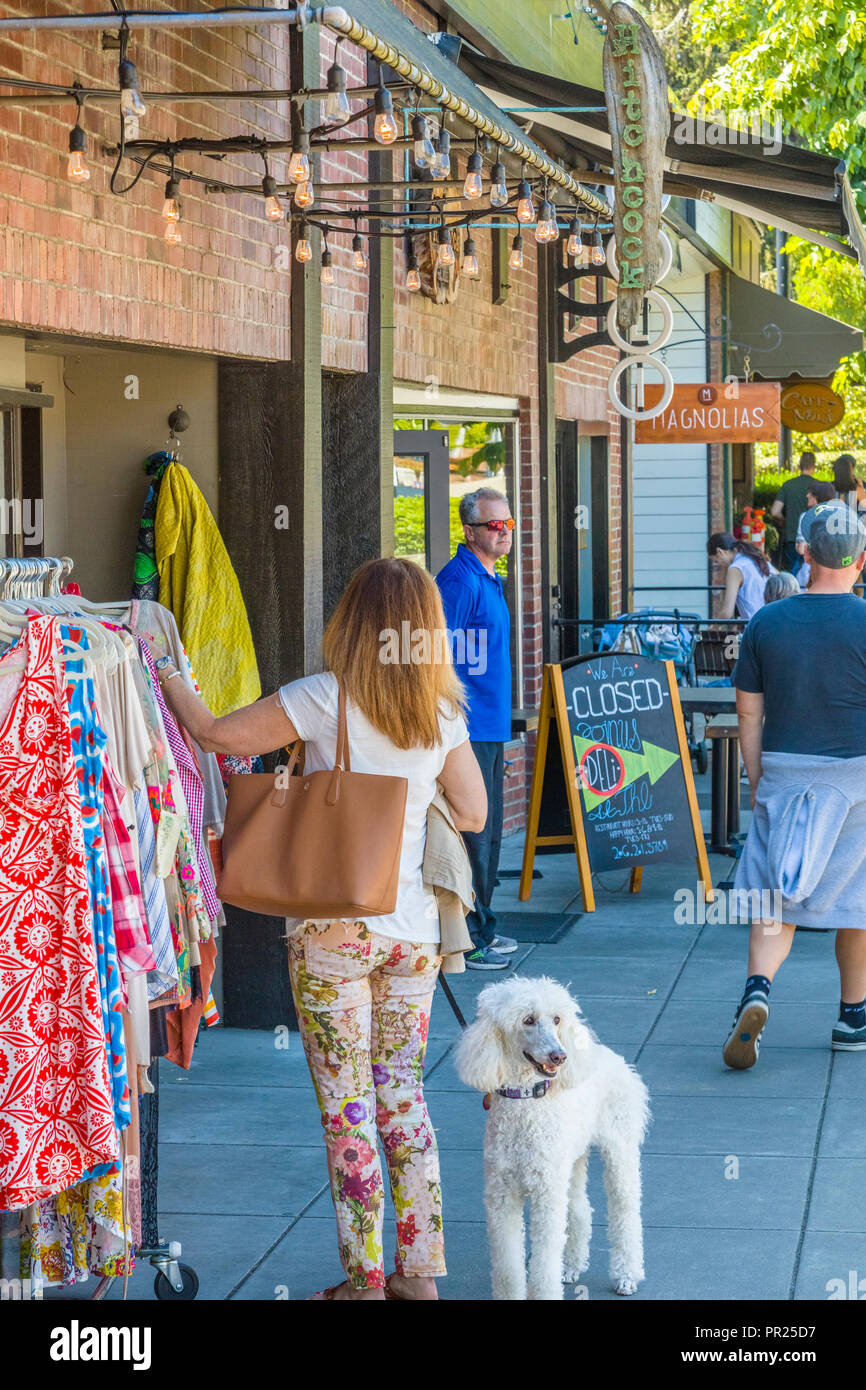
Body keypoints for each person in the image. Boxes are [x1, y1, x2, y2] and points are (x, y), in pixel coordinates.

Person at [152, 557, 488, 1300]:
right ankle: (420, 1278)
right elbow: (473, 813)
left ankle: (363, 1283)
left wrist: (165, 666)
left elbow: (210, 735)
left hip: (333, 934)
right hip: (413, 939)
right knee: (404, 1098)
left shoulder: (320, 698)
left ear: (352, 622)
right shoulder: (441, 710)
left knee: (349, 1112)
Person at [724, 501, 866, 1069]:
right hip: (857, 778)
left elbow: (748, 716)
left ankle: (757, 988)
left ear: (803, 553)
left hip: (785, 771)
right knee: (856, 898)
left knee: (772, 896)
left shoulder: (766, 622)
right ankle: (853, 1016)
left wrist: (758, 780)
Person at [436, 487, 518, 971]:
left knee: (487, 832)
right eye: (494, 525)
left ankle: (483, 924)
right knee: (473, 831)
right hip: (468, 728)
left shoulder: (489, 578)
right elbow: (435, 654)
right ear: (470, 531)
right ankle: (468, 937)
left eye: (508, 524)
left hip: (490, 723)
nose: (504, 532)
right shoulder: (460, 581)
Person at [707, 532, 777, 621]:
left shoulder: (735, 569)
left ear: (720, 551)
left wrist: (712, 628)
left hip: (755, 625)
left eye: (716, 561)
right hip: (773, 620)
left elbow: (727, 612)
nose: (720, 565)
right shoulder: (759, 560)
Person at [771, 450, 816, 571]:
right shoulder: (819, 486)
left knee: (794, 572)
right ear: (814, 467)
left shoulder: (788, 485)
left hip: (792, 537)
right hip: (814, 539)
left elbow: (775, 511)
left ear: (799, 466)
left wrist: (785, 519)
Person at [793, 481, 835, 588]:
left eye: (810, 493)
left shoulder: (806, 517)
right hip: (834, 573)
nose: (807, 495)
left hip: (809, 573)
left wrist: (800, 544)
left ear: (816, 497)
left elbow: (801, 549)